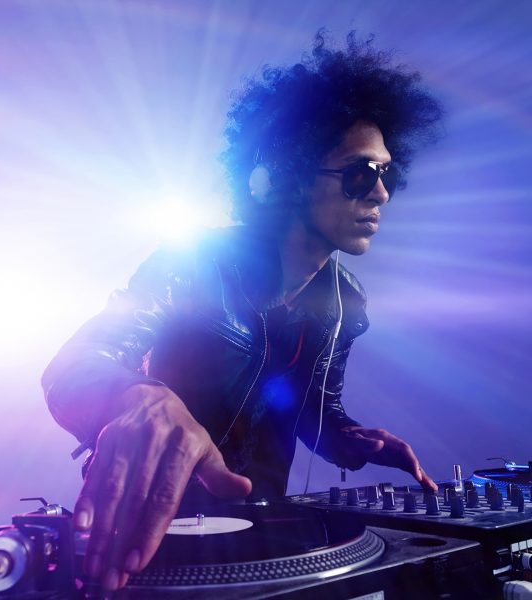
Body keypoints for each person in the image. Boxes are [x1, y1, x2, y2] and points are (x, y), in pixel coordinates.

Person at [42, 32, 443, 591]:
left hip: (267, 540)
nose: (381, 195)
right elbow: (77, 364)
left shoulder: (345, 302)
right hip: (151, 544)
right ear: (289, 176)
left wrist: (354, 440)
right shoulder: (192, 261)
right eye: (360, 174)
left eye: (387, 175)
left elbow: (314, 412)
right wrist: (136, 397)